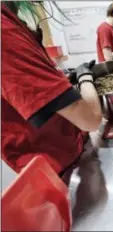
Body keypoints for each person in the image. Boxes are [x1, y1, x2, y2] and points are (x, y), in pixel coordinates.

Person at [1, 2, 102, 178]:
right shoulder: (4, 31)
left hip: (69, 153)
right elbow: (91, 119)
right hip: (54, 170)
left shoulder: (9, 18)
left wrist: (64, 85)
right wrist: (85, 78)